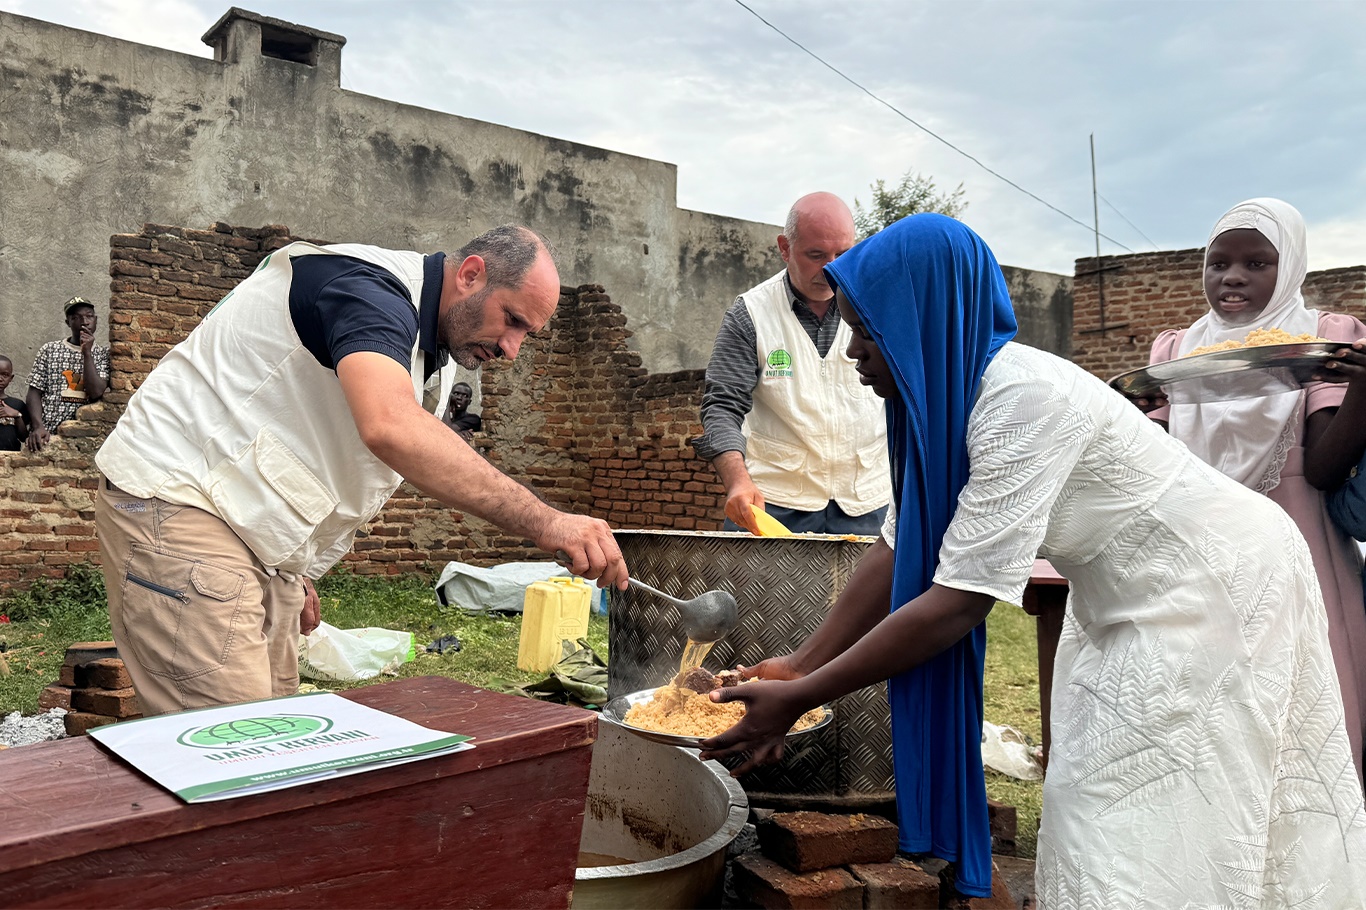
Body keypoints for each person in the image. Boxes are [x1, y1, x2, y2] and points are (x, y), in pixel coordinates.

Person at [699, 214, 1366, 905]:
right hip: (1123, 600)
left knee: (1163, 811)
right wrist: (800, 665)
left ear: (923, 324)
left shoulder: (1024, 399)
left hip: (1219, 589)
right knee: (1089, 801)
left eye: (868, 333)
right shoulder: (940, 408)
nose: (852, 353)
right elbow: (896, 552)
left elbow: (957, 602)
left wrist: (801, 699)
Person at [94, 226, 629, 717]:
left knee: (271, 731)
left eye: (526, 335)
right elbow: (390, 426)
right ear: (470, 275)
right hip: (181, 505)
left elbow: (319, 447)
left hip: (252, 538)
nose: (511, 349)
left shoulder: (429, 350)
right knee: (236, 760)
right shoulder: (368, 290)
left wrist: (297, 569)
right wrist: (547, 521)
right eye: (511, 319)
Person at [1141, 198, 1366, 787]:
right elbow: (1157, 463)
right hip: (1200, 540)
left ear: (1290, 267)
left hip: (1297, 536)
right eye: (1218, 263)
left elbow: (1321, 469)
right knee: (1207, 683)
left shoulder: (1321, 337)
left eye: (1257, 263)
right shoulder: (1176, 351)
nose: (1232, 276)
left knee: (1303, 678)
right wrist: (1134, 417)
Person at [695, 192, 890, 535]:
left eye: (843, 255)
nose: (831, 269)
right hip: (775, 504)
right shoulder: (751, 314)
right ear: (785, 247)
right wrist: (737, 482)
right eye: (815, 255)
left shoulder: (881, 307)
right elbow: (722, 406)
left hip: (868, 502)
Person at [24, 296, 110, 451]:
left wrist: (87, 353)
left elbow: (96, 392)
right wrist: (38, 426)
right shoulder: (49, 350)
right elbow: (34, 393)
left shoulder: (103, 354)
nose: (84, 321)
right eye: (76, 317)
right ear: (68, 322)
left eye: (89, 316)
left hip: (83, 439)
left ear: (96, 320)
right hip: (48, 434)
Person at [0, 355, 31, 451]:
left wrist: (17, 415)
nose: (0, 379)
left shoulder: (17, 404)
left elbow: (23, 437)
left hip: (10, 460)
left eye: (5, 375)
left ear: (11, 378)